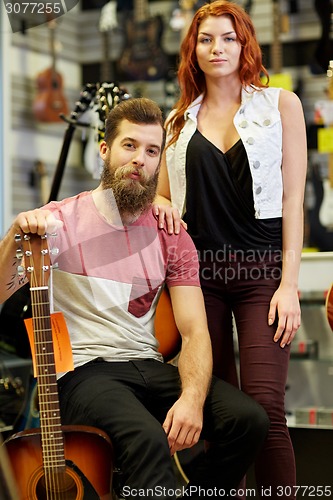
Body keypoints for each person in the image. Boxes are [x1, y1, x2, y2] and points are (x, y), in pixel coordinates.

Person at [0, 98, 269, 499]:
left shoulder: (171, 233)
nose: (139, 159)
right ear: (105, 151)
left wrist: (192, 400)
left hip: (147, 364)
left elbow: (194, 332)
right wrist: (14, 237)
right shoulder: (58, 223)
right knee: (147, 439)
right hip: (83, 372)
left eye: (151, 150)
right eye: (129, 146)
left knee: (248, 421)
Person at [155, 2, 307, 499]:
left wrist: (289, 284)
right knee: (222, 414)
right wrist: (163, 208)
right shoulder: (178, 122)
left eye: (227, 38)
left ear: (244, 44)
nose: (216, 48)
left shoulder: (281, 105)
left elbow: (291, 198)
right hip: (199, 282)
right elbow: (159, 194)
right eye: (205, 40)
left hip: (263, 274)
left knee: (264, 408)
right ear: (192, 50)